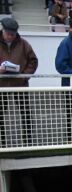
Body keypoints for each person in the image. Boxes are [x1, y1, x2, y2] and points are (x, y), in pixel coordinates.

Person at [0, 18, 38, 146]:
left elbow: (33, 61)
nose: (10, 37)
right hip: (1, 85)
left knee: (25, 113)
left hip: (20, 83)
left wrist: (24, 76)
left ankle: (28, 141)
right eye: (8, 34)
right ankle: (2, 142)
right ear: (3, 30)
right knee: (0, 114)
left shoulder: (24, 44)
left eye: (13, 34)